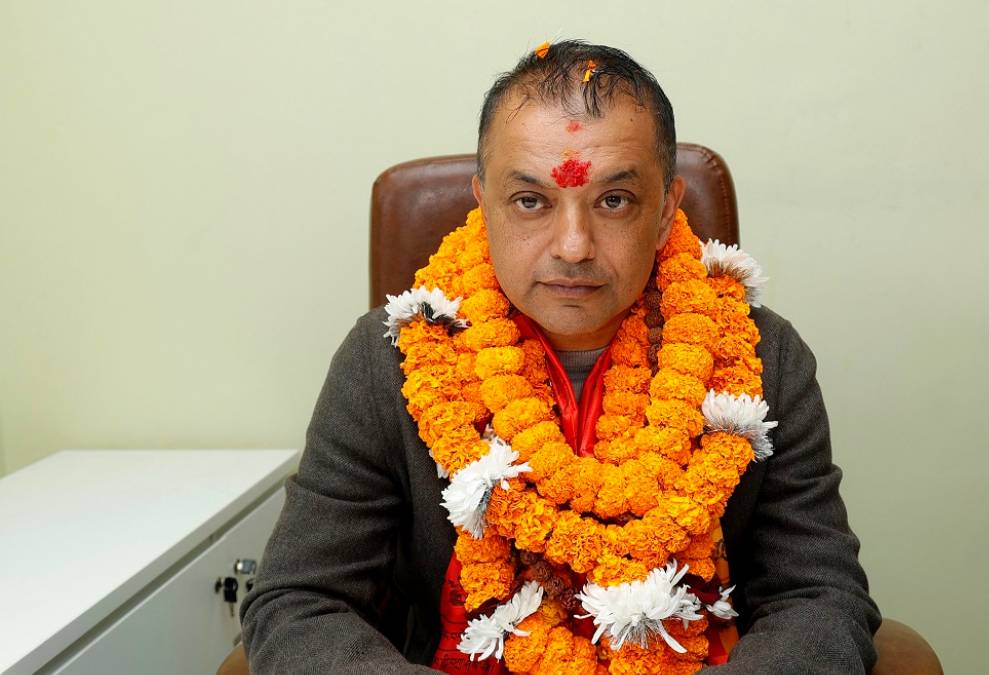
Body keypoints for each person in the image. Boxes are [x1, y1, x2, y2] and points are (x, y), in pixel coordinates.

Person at [241, 40, 881, 674]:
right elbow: (300, 601)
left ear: (664, 214)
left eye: (614, 200)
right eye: (530, 201)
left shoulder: (762, 356)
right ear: (483, 206)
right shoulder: (388, 359)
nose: (573, 247)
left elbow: (818, 596)